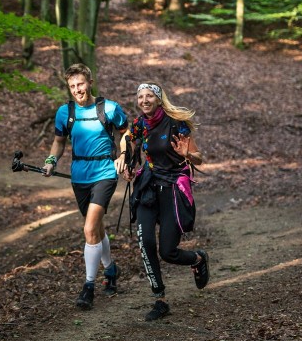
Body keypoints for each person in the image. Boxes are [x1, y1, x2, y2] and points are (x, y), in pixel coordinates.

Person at [118, 83, 209, 321]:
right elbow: (127, 139)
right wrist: (125, 160)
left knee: (168, 252)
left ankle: (198, 259)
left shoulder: (175, 124)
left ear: (159, 100)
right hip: (148, 187)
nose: (144, 100)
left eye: (149, 96)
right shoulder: (139, 124)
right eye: (140, 96)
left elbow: (198, 158)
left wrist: (186, 154)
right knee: (145, 241)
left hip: (172, 189)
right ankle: (160, 299)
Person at [42, 64, 129, 310]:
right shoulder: (65, 112)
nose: (77, 90)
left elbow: (127, 133)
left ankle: (88, 286)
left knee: (89, 227)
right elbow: (58, 142)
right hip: (79, 175)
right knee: (97, 229)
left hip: (104, 172)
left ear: (90, 82)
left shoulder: (109, 108)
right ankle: (111, 270)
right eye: (72, 86)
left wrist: (123, 154)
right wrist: (51, 161)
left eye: (80, 84)